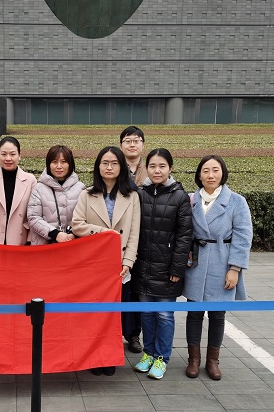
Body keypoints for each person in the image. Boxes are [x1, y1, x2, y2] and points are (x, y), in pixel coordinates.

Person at [72, 146, 141, 376]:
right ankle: (94, 357)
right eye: (105, 163)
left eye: (114, 163)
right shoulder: (87, 194)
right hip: (94, 265)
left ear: (122, 167)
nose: (109, 167)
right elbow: (77, 224)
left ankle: (109, 357)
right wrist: (104, 233)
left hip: (119, 265)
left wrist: (128, 261)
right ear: (98, 166)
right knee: (95, 315)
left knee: (114, 315)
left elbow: (134, 233)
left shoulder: (132, 196)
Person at [183, 155, 253, 380]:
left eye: (215, 170)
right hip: (196, 262)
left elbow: (243, 236)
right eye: (205, 170)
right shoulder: (190, 199)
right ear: (199, 175)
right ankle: (193, 360)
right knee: (194, 313)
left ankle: (213, 361)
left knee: (217, 314)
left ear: (223, 173)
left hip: (222, 261)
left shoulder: (236, 201)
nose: (210, 175)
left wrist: (235, 268)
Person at [131, 148, 193, 379]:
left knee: (165, 315)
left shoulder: (180, 197)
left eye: (162, 166)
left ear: (170, 168)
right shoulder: (139, 194)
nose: (157, 171)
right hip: (143, 266)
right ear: (146, 168)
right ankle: (148, 353)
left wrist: (177, 268)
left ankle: (162, 358)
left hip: (167, 269)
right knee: (146, 314)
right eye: (153, 166)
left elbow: (185, 236)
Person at [0, 136, 37, 245]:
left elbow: (34, 214)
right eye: (4, 154)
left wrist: (29, 240)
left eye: (12, 154)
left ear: (19, 156)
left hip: (20, 241)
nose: (8, 158)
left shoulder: (30, 180)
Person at [119, 125, 146, 353]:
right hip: (120, 240)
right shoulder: (114, 168)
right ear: (121, 145)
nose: (132, 144)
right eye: (128, 140)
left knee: (137, 290)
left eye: (136, 140)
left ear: (142, 145)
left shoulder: (153, 168)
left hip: (145, 239)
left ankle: (134, 334)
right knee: (120, 289)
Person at [27, 145, 85, 245]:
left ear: (70, 164)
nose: (59, 166)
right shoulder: (39, 188)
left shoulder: (80, 188)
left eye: (63, 162)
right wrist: (54, 233)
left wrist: (73, 233)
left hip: (74, 244)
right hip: (45, 246)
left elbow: (86, 217)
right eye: (54, 162)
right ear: (48, 164)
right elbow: (33, 217)